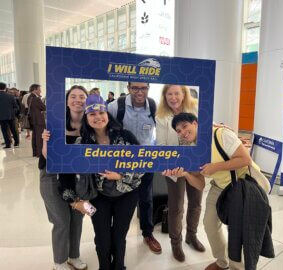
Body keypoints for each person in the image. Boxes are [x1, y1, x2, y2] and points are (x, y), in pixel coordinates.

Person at [165, 113, 272, 270]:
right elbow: (200, 185)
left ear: (195, 123)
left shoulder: (220, 134)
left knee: (238, 231)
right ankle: (222, 262)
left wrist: (215, 167)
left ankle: (238, 267)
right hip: (220, 186)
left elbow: (245, 159)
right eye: (178, 131)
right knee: (209, 224)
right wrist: (186, 174)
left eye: (185, 126)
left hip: (242, 184)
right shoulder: (193, 151)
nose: (183, 132)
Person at [77, 94, 142, 270]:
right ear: (86, 118)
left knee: (119, 236)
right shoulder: (82, 143)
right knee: (102, 237)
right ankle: (104, 267)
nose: (98, 117)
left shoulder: (126, 136)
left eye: (101, 113)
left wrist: (120, 176)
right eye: (92, 114)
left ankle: (119, 266)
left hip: (127, 194)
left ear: (107, 114)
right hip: (98, 196)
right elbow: (73, 172)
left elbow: (142, 165)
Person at [108, 82, 161, 254]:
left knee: (146, 198)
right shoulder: (116, 106)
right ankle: (115, 236)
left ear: (148, 88)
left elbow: (170, 124)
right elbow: (103, 128)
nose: (139, 92)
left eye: (143, 88)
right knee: (121, 198)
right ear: (128, 87)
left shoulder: (154, 106)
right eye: (135, 88)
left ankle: (148, 233)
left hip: (146, 161)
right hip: (122, 163)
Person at [40, 85, 89, 270]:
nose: (78, 100)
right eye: (73, 96)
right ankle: (59, 262)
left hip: (78, 179)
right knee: (61, 220)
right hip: (53, 177)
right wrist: (45, 140)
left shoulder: (90, 123)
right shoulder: (55, 122)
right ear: (67, 101)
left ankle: (73, 256)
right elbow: (46, 156)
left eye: (82, 96)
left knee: (77, 218)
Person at [155, 84, 203, 262]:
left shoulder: (197, 107)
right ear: (165, 97)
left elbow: (204, 132)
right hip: (174, 167)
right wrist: (166, 164)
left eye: (177, 93)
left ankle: (192, 235)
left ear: (184, 94)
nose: (173, 97)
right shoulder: (161, 116)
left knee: (196, 203)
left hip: (196, 164)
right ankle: (176, 243)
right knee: (176, 207)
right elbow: (160, 144)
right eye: (169, 94)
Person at [28, 83, 46, 157]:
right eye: (39, 89)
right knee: (40, 137)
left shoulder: (30, 97)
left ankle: (35, 152)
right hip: (39, 120)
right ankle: (39, 153)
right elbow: (44, 107)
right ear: (35, 90)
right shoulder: (36, 98)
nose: (40, 91)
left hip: (33, 120)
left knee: (35, 137)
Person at [0, 82, 19, 149]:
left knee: (5, 131)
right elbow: (16, 107)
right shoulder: (11, 96)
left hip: (1, 117)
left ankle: (8, 144)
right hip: (11, 116)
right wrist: (12, 112)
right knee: (14, 129)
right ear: (5, 88)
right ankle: (16, 143)